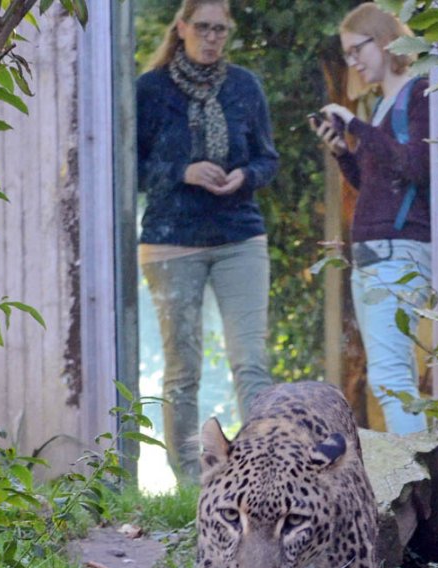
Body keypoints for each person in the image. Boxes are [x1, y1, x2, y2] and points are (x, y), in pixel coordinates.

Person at [136, 0, 279, 481]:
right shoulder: (150, 91)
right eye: (203, 27)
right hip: (171, 241)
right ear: (181, 28)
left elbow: (268, 160)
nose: (212, 37)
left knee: (251, 363)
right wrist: (183, 171)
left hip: (240, 236)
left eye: (221, 29)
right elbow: (126, 168)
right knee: (182, 371)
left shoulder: (244, 86)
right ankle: (190, 485)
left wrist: (244, 175)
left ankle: (261, 475)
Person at [310, 2, 430, 435]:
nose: (353, 62)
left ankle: (419, 491)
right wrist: (344, 151)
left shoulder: (418, 94)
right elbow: (379, 186)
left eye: (356, 50)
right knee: (389, 377)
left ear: (383, 40)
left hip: (399, 253)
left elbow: (416, 167)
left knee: (392, 379)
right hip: (375, 256)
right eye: (347, 55)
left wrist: (356, 129)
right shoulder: (384, 105)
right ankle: (418, 486)